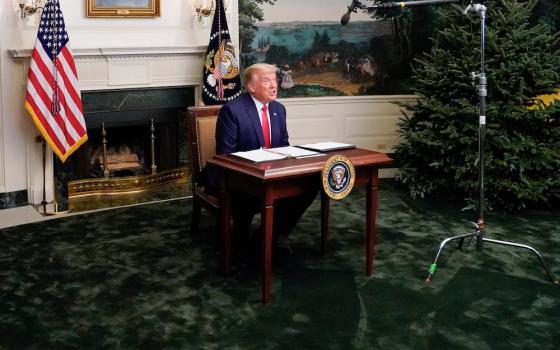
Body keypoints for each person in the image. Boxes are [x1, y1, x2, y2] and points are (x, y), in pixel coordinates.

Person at [208, 63, 316, 250]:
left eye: (275, 80)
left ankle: (267, 238)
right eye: (267, 81)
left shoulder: (279, 110)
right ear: (251, 87)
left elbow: (283, 146)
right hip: (237, 176)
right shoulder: (233, 111)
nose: (274, 85)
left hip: (270, 175)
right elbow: (226, 155)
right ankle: (240, 238)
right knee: (250, 199)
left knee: (309, 185)